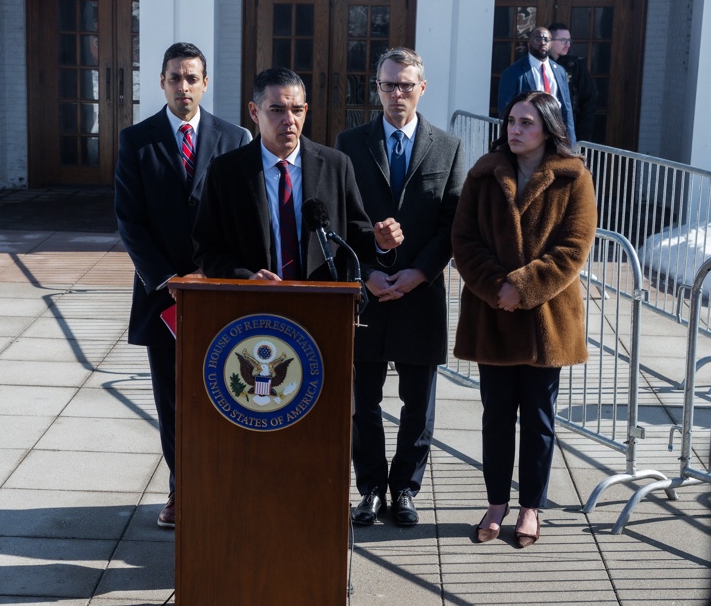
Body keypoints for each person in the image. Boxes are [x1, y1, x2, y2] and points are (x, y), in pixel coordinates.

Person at [115, 42, 251, 529]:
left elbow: (243, 217)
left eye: (192, 77)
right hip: (163, 296)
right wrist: (169, 278)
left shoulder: (234, 139)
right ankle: (181, 490)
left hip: (220, 293)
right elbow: (130, 221)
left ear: (205, 83)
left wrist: (218, 274)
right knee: (173, 401)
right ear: (162, 82)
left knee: (224, 394)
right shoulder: (137, 140)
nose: (184, 86)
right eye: (175, 77)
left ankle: (225, 484)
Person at [452, 91, 596, 547]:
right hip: (492, 313)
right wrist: (499, 287)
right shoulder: (483, 173)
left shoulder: (573, 178)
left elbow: (574, 248)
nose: (515, 129)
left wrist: (525, 287)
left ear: (549, 129)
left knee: (538, 416)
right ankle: (497, 503)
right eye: (511, 121)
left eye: (526, 122)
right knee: (495, 415)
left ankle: (532, 506)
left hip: (545, 318)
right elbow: (464, 239)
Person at [334, 48, 466, 527]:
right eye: (388, 85)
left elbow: (452, 221)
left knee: (418, 404)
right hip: (366, 291)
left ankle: (405, 489)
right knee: (362, 403)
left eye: (406, 85)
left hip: (419, 294)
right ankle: (369, 489)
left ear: (422, 89)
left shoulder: (447, 147)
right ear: (376, 88)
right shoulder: (350, 143)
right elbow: (339, 218)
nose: (396, 94)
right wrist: (366, 269)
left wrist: (420, 273)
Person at [192, 67, 403, 282]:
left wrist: (379, 243)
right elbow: (207, 249)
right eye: (277, 110)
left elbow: (356, 237)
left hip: (321, 304)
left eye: (297, 110)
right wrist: (247, 278)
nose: (289, 120)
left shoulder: (336, 166)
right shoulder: (226, 171)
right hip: (253, 306)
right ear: (254, 112)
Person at [495, 27, 577, 146]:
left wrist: (571, 141)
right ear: (529, 44)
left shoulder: (559, 71)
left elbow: (566, 107)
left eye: (546, 39)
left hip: (554, 134)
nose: (543, 43)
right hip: (527, 136)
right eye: (538, 39)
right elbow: (505, 109)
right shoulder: (513, 72)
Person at [547, 23, 598, 144]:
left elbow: (589, 100)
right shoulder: (541, 64)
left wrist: (582, 135)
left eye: (569, 40)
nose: (568, 45)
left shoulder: (577, 66)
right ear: (550, 41)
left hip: (571, 130)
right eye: (563, 40)